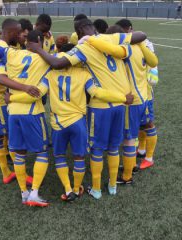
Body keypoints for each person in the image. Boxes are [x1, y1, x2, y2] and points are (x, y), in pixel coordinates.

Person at [26, 18, 146, 198]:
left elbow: (57, 63)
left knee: (97, 149)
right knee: (114, 147)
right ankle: (112, 185)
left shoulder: (83, 48)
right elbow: (142, 35)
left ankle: (96, 189)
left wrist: (38, 49)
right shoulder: (112, 38)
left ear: (80, 32)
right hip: (121, 104)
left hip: (100, 107)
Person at [7, 40, 134, 202]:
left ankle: (67, 190)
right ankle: (78, 188)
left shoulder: (50, 75)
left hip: (58, 124)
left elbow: (36, 94)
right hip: (78, 122)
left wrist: (12, 97)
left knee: (59, 156)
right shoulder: (84, 75)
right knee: (79, 157)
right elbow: (98, 93)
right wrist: (123, 98)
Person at [0, 30, 52, 207]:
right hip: (32, 113)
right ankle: (34, 193)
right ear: (39, 42)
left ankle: (24, 192)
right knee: (42, 153)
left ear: (26, 41)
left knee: (19, 153)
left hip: (13, 113)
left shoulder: (10, 53)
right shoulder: (47, 60)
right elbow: (38, 93)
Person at [0, 18, 37, 185]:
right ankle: (10, 173)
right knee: (4, 135)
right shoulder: (2, 49)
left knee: (5, 134)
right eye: (19, 33)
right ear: (11, 33)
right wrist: (25, 87)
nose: (22, 37)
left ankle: (11, 171)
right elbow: (1, 78)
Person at [113, 19, 158, 184]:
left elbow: (152, 66)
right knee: (142, 126)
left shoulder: (129, 48)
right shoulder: (141, 44)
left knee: (137, 131)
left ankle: (138, 164)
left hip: (139, 96)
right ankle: (141, 153)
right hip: (142, 93)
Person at [137, 39, 159, 170]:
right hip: (138, 98)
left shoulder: (151, 62)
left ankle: (149, 158)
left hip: (146, 97)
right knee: (141, 125)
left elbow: (153, 81)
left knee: (148, 124)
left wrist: (151, 69)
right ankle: (141, 150)